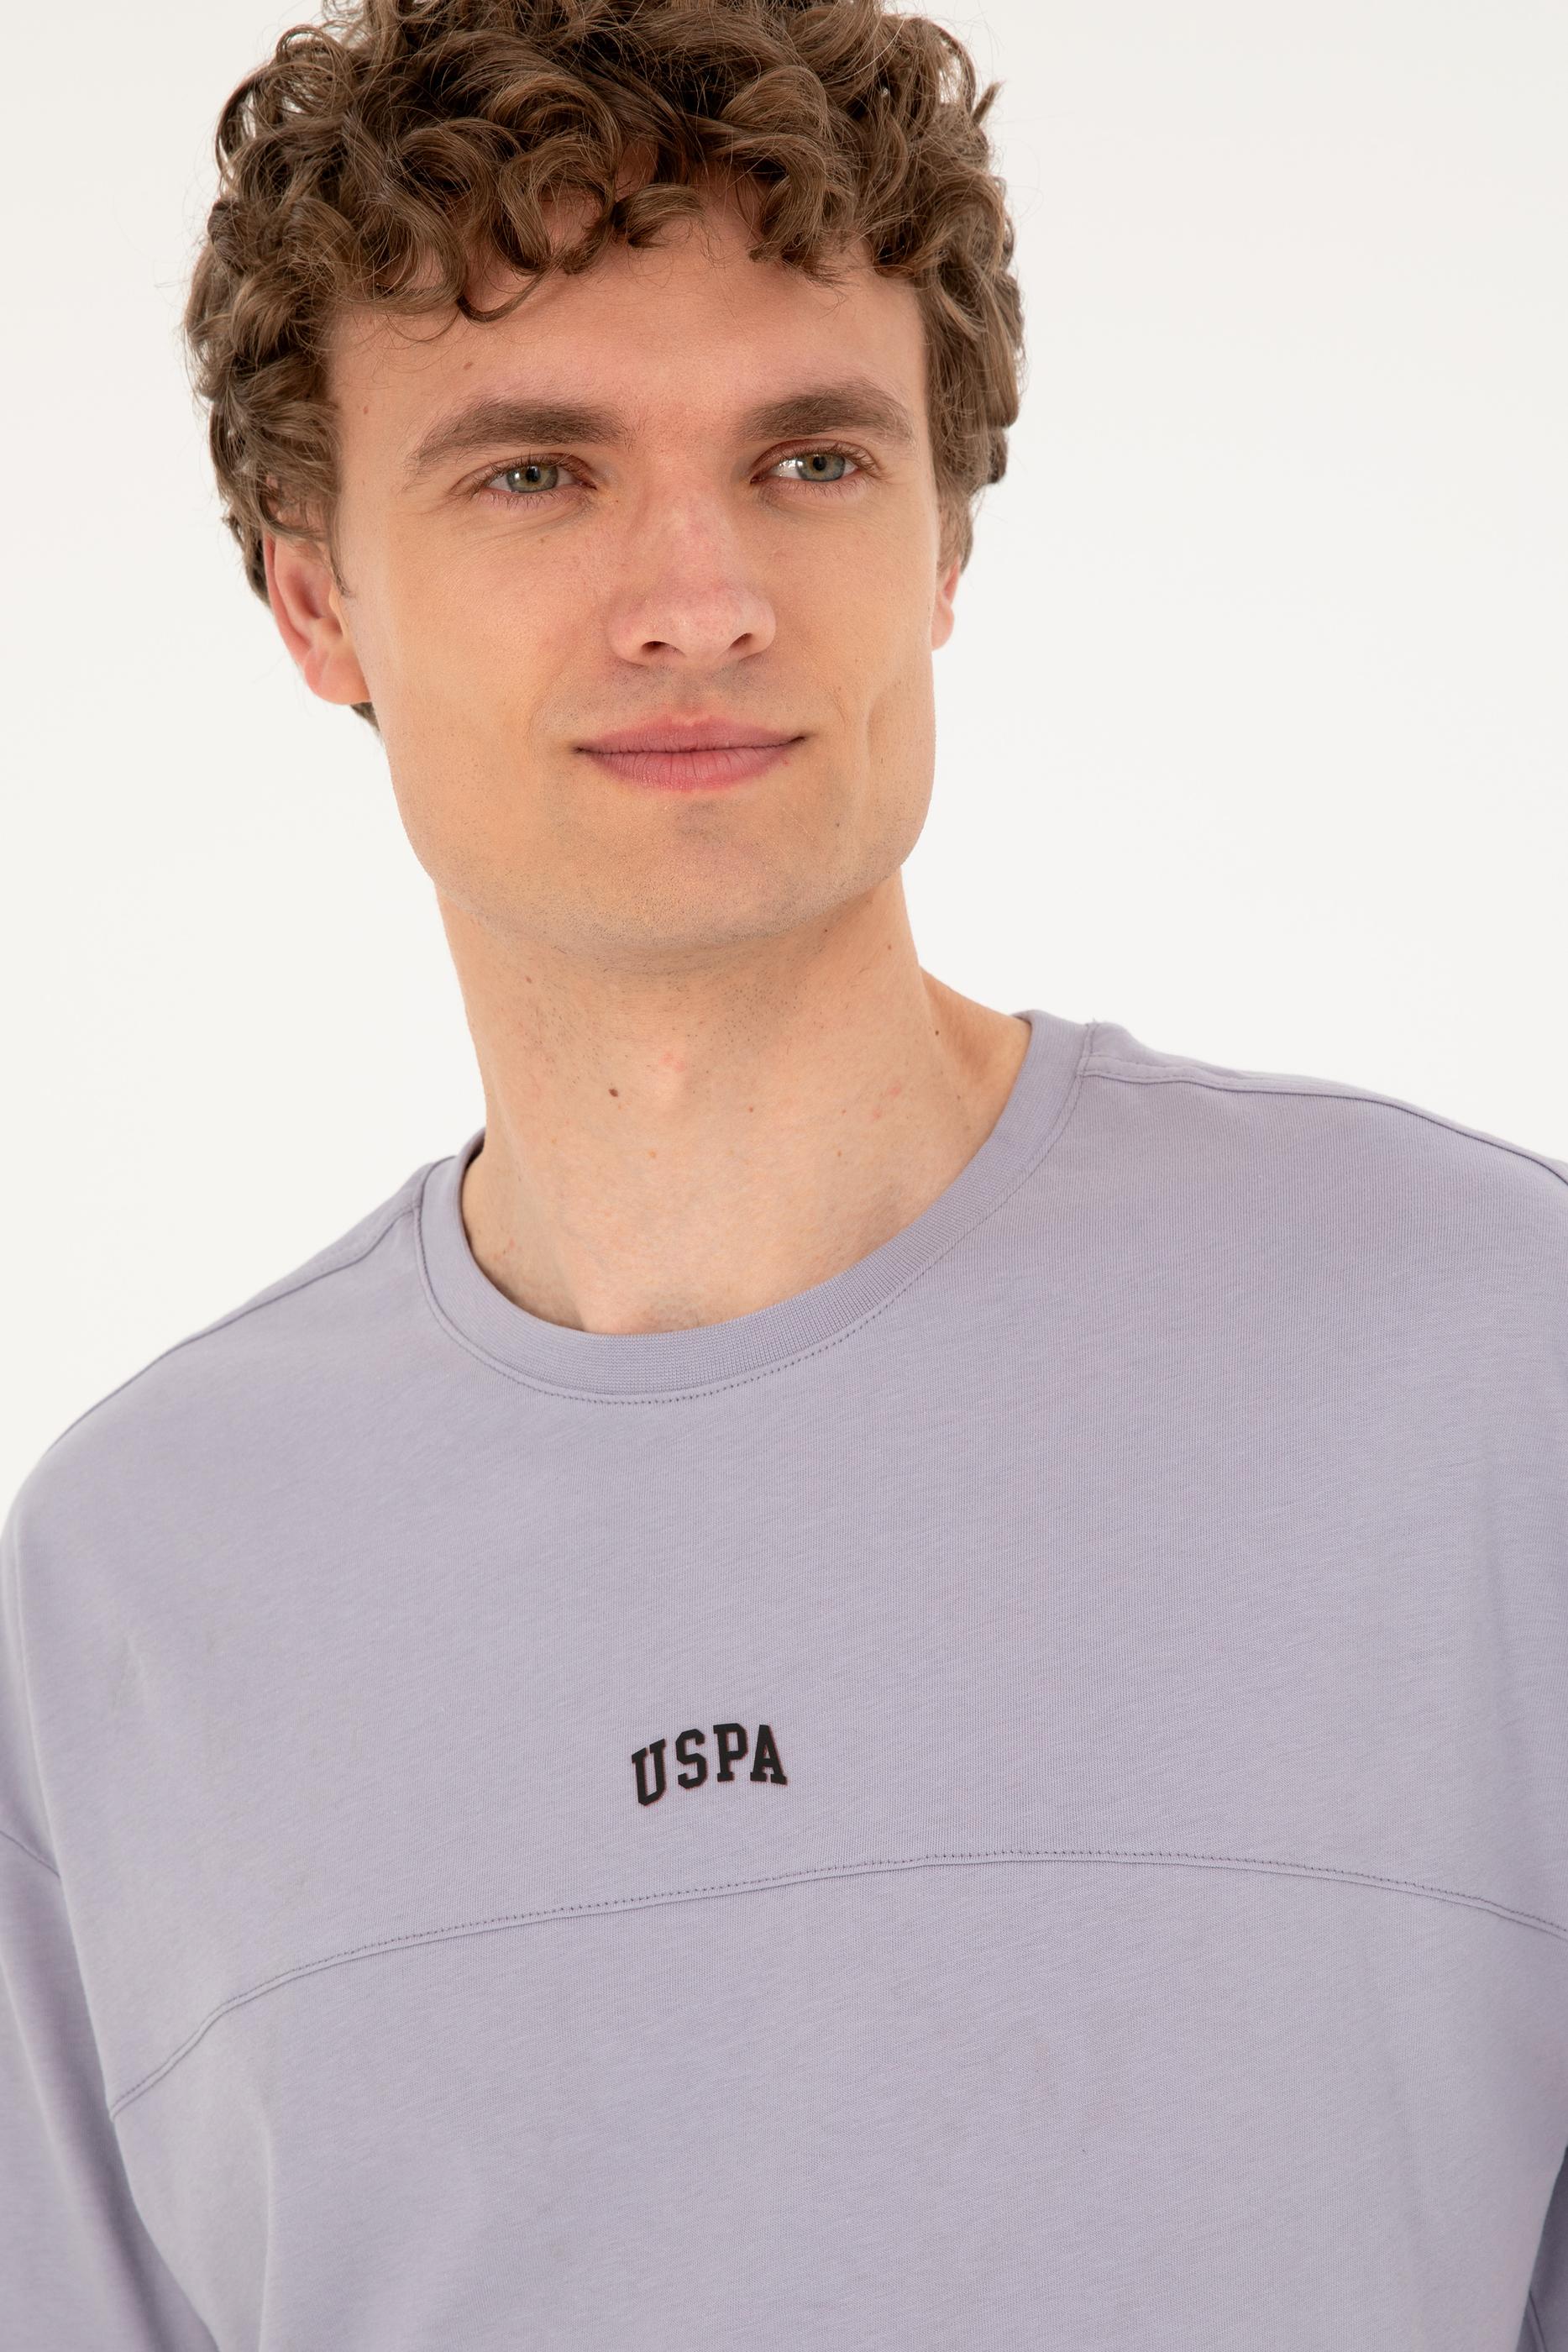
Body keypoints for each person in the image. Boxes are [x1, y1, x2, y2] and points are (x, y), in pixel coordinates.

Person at [3, 1, 1565, 2343]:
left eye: (812, 459)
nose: (701, 597)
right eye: (536, 473)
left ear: (942, 543)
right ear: (313, 597)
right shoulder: (136, 1589)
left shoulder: (1484, 1362)